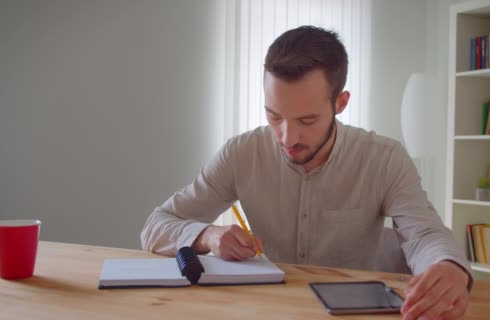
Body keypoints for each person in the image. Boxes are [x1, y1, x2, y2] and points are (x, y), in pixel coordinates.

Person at [141, 26, 471, 320]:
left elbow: (425, 234)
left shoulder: (384, 158)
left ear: (340, 103)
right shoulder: (241, 153)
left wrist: (449, 267)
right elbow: (156, 226)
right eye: (274, 116)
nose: (287, 137)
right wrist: (208, 236)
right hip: (271, 310)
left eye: (306, 121)